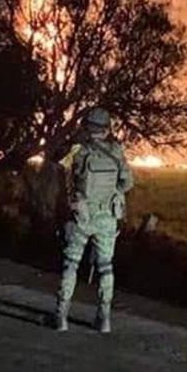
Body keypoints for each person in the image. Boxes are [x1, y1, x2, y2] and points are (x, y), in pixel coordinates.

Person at [54, 107, 134, 333]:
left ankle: (61, 317)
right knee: (106, 267)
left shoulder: (77, 150)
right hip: (107, 217)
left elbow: (59, 166)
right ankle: (104, 320)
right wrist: (112, 194)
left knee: (70, 264)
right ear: (107, 129)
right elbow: (127, 183)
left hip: (82, 215)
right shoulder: (117, 151)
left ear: (87, 127)